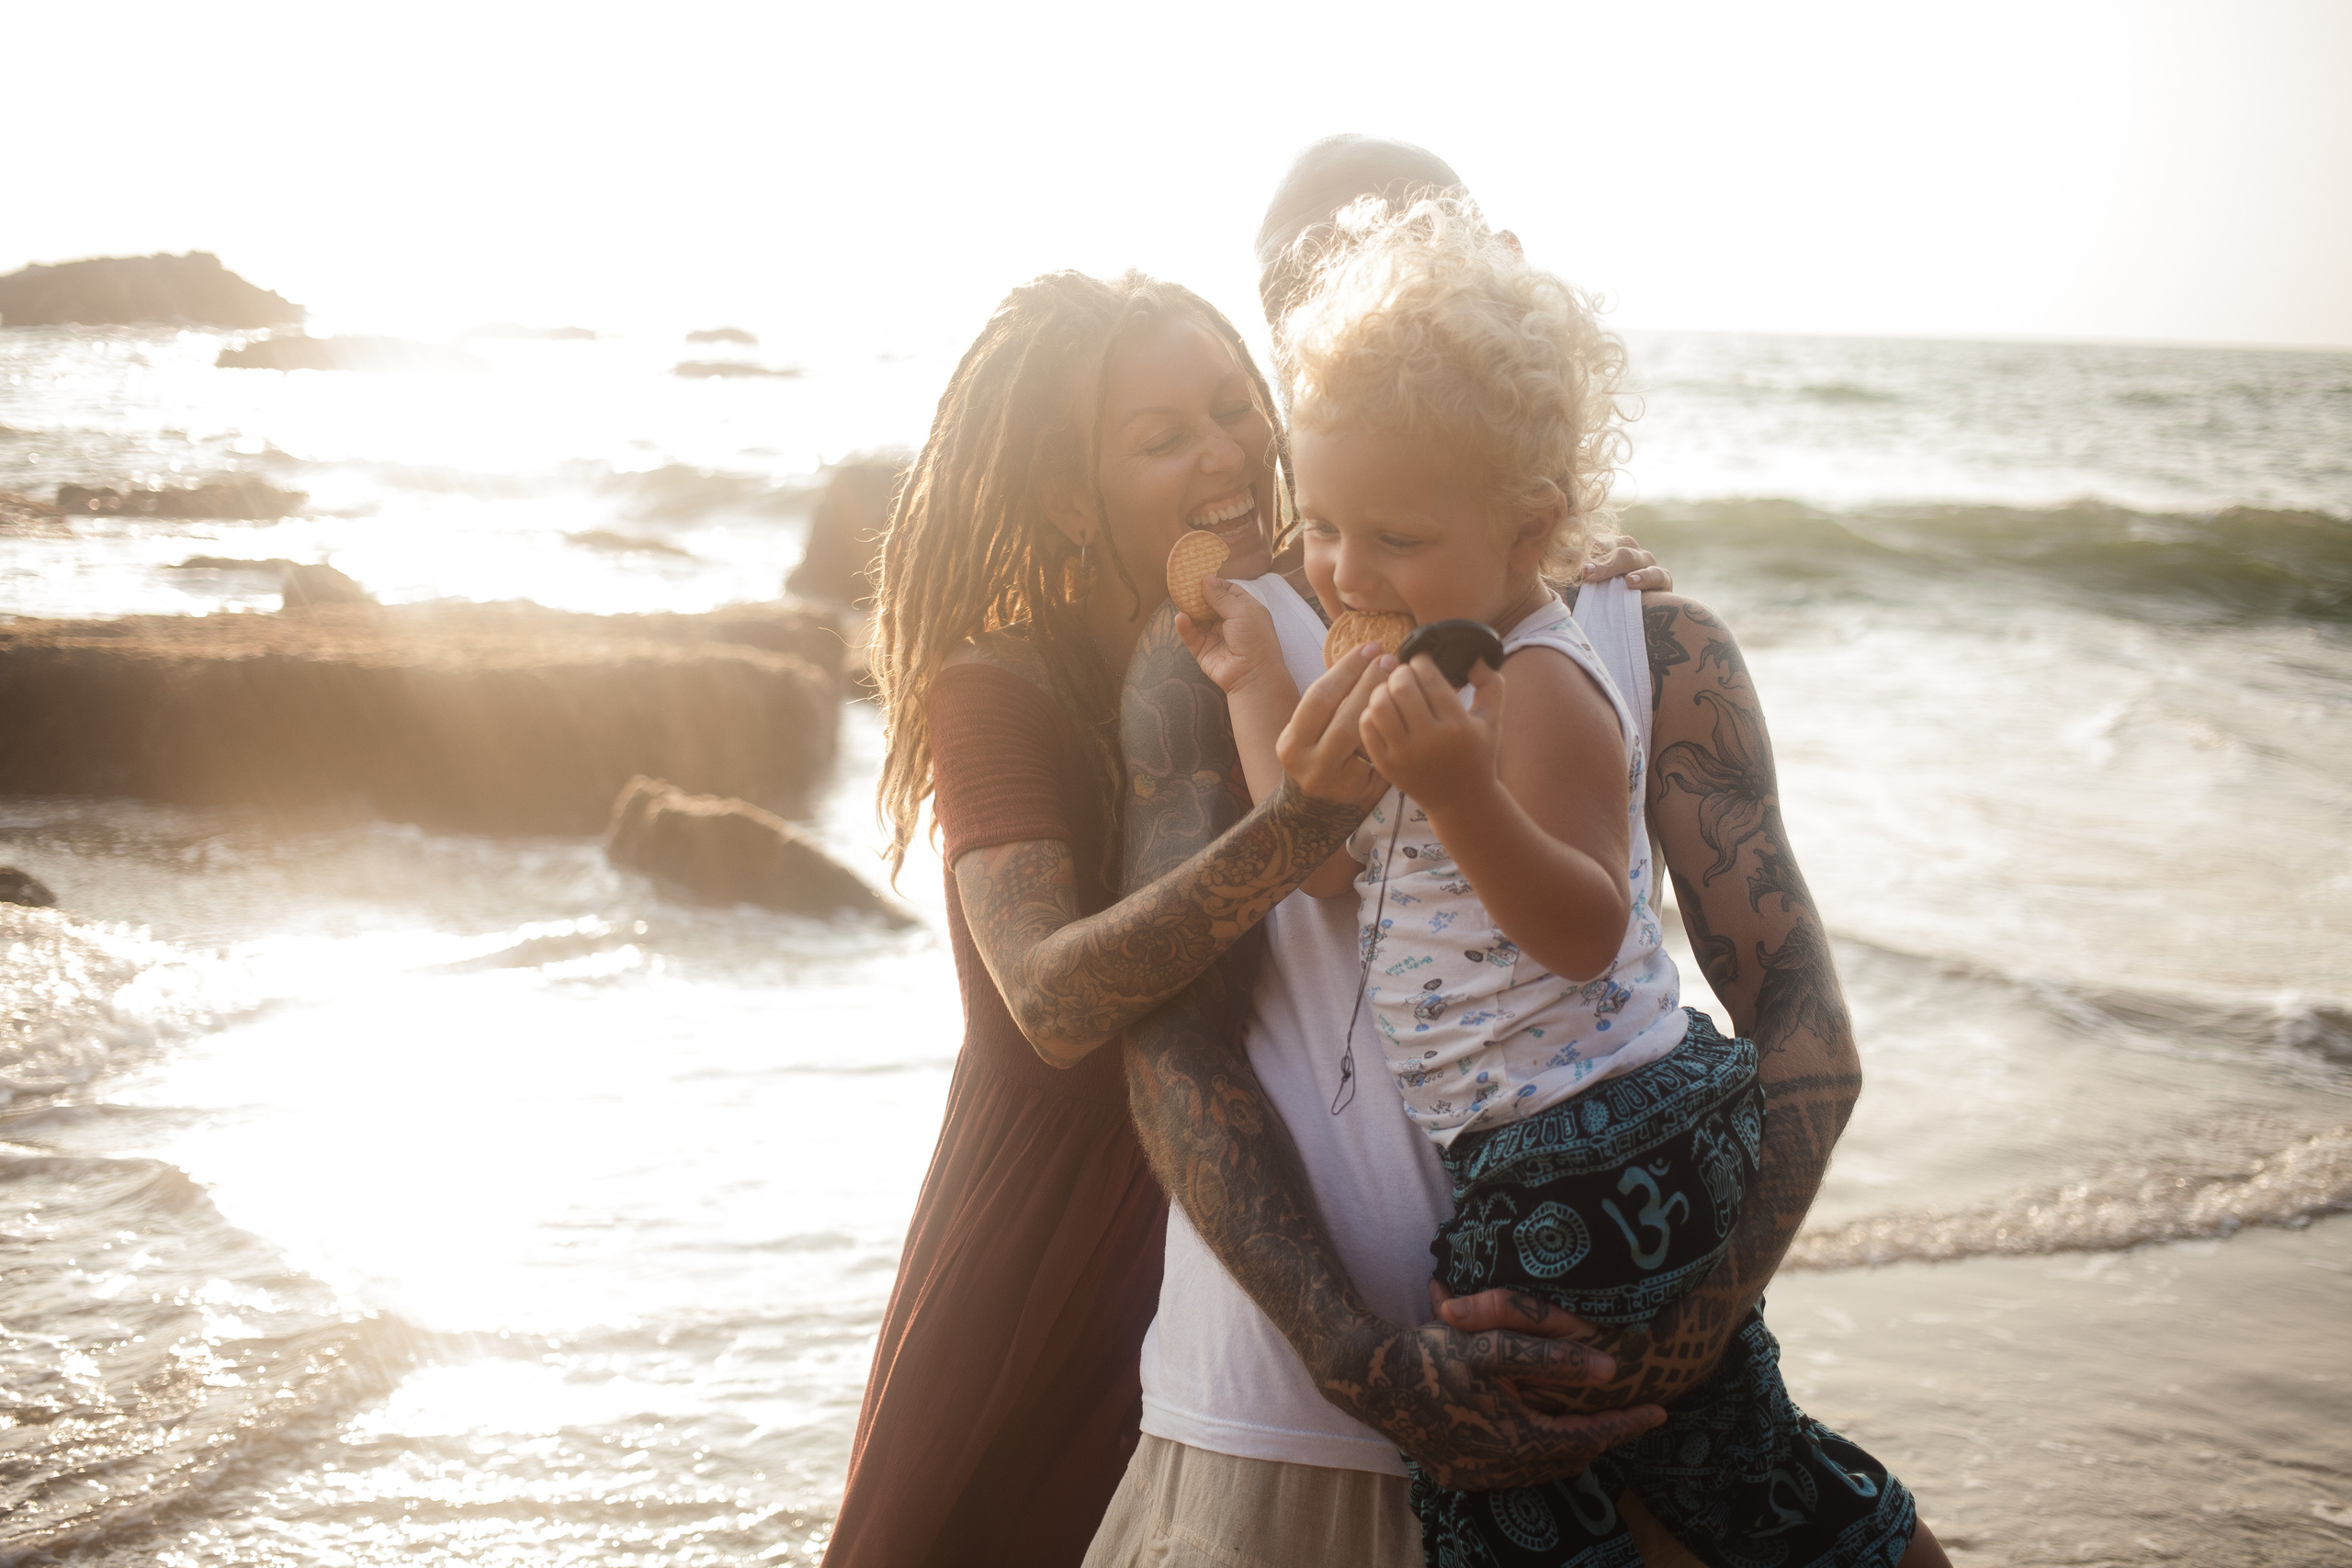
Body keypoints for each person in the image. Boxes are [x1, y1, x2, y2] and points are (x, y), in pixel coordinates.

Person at [1091, 136, 1947, 1567]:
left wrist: (1674, 1344)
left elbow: (1796, 1030)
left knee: (1760, 1493)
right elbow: (1177, 1032)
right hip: (1279, 1406)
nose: (1348, 565)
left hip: (1590, 1326)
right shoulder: (1224, 647)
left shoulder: (1618, 644)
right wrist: (1356, 1356)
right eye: (1318, 301)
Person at [831, 267, 1487, 1567]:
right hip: (1056, 1230)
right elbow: (1050, 999)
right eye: (1163, 436)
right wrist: (1301, 822)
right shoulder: (998, 685)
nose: (1228, 452)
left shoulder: (1297, 614)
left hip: (1238, 1214)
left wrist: (1563, 581)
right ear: (1070, 499)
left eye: (1236, 408)